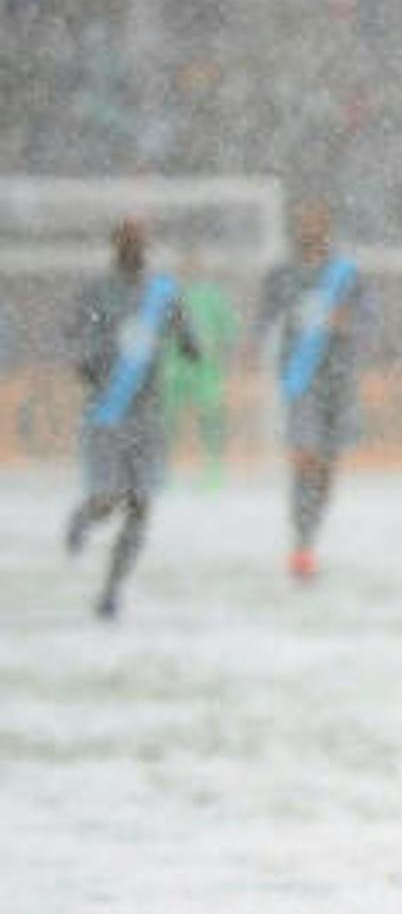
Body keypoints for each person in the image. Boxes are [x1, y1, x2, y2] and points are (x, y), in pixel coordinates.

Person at [64, 217, 197, 620]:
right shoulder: (97, 293)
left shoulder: (163, 292)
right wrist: (85, 363)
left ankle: (111, 590)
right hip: (107, 412)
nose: (135, 248)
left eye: (140, 241)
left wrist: (191, 346)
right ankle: (85, 516)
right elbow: (73, 338)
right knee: (109, 500)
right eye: (127, 241)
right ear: (115, 247)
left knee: (141, 504)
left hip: (149, 415)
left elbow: (187, 338)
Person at [256, 198, 373, 582]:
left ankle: (309, 537)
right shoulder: (282, 275)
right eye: (304, 223)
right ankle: (301, 544)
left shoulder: (346, 274)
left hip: (338, 379)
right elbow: (264, 319)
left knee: (326, 466)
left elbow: (369, 318)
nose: (311, 231)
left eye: (317, 223)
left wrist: (349, 322)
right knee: (304, 455)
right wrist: (250, 347)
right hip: (300, 378)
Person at [160, 247, 240, 488]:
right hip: (173, 367)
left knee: (211, 419)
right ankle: (166, 471)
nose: (189, 269)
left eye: (194, 265)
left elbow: (230, 329)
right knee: (169, 422)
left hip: (206, 368)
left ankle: (214, 472)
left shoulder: (213, 296)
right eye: (185, 265)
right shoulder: (169, 295)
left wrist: (222, 352)